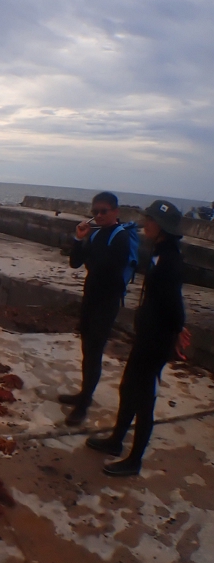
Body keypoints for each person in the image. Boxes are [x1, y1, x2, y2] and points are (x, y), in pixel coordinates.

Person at [85, 200, 190, 476]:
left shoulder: (170, 260)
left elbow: (174, 302)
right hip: (146, 337)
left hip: (157, 342)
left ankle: (134, 460)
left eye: (151, 220)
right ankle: (116, 441)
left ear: (163, 227)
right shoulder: (159, 252)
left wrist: (177, 330)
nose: (146, 223)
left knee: (144, 399)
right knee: (127, 389)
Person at [59, 192, 132, 426]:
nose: (99, 215)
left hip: (106, 303)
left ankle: (83, 405)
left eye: (104, 211)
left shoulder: (120, 237)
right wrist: (79, 239)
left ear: (115, 212)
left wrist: (90, 255)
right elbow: (75, 263)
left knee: (94, 353)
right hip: (90, 299)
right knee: (86, 350)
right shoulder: (97, 234)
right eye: (95, 212)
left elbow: (107, 270)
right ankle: (84, 394)